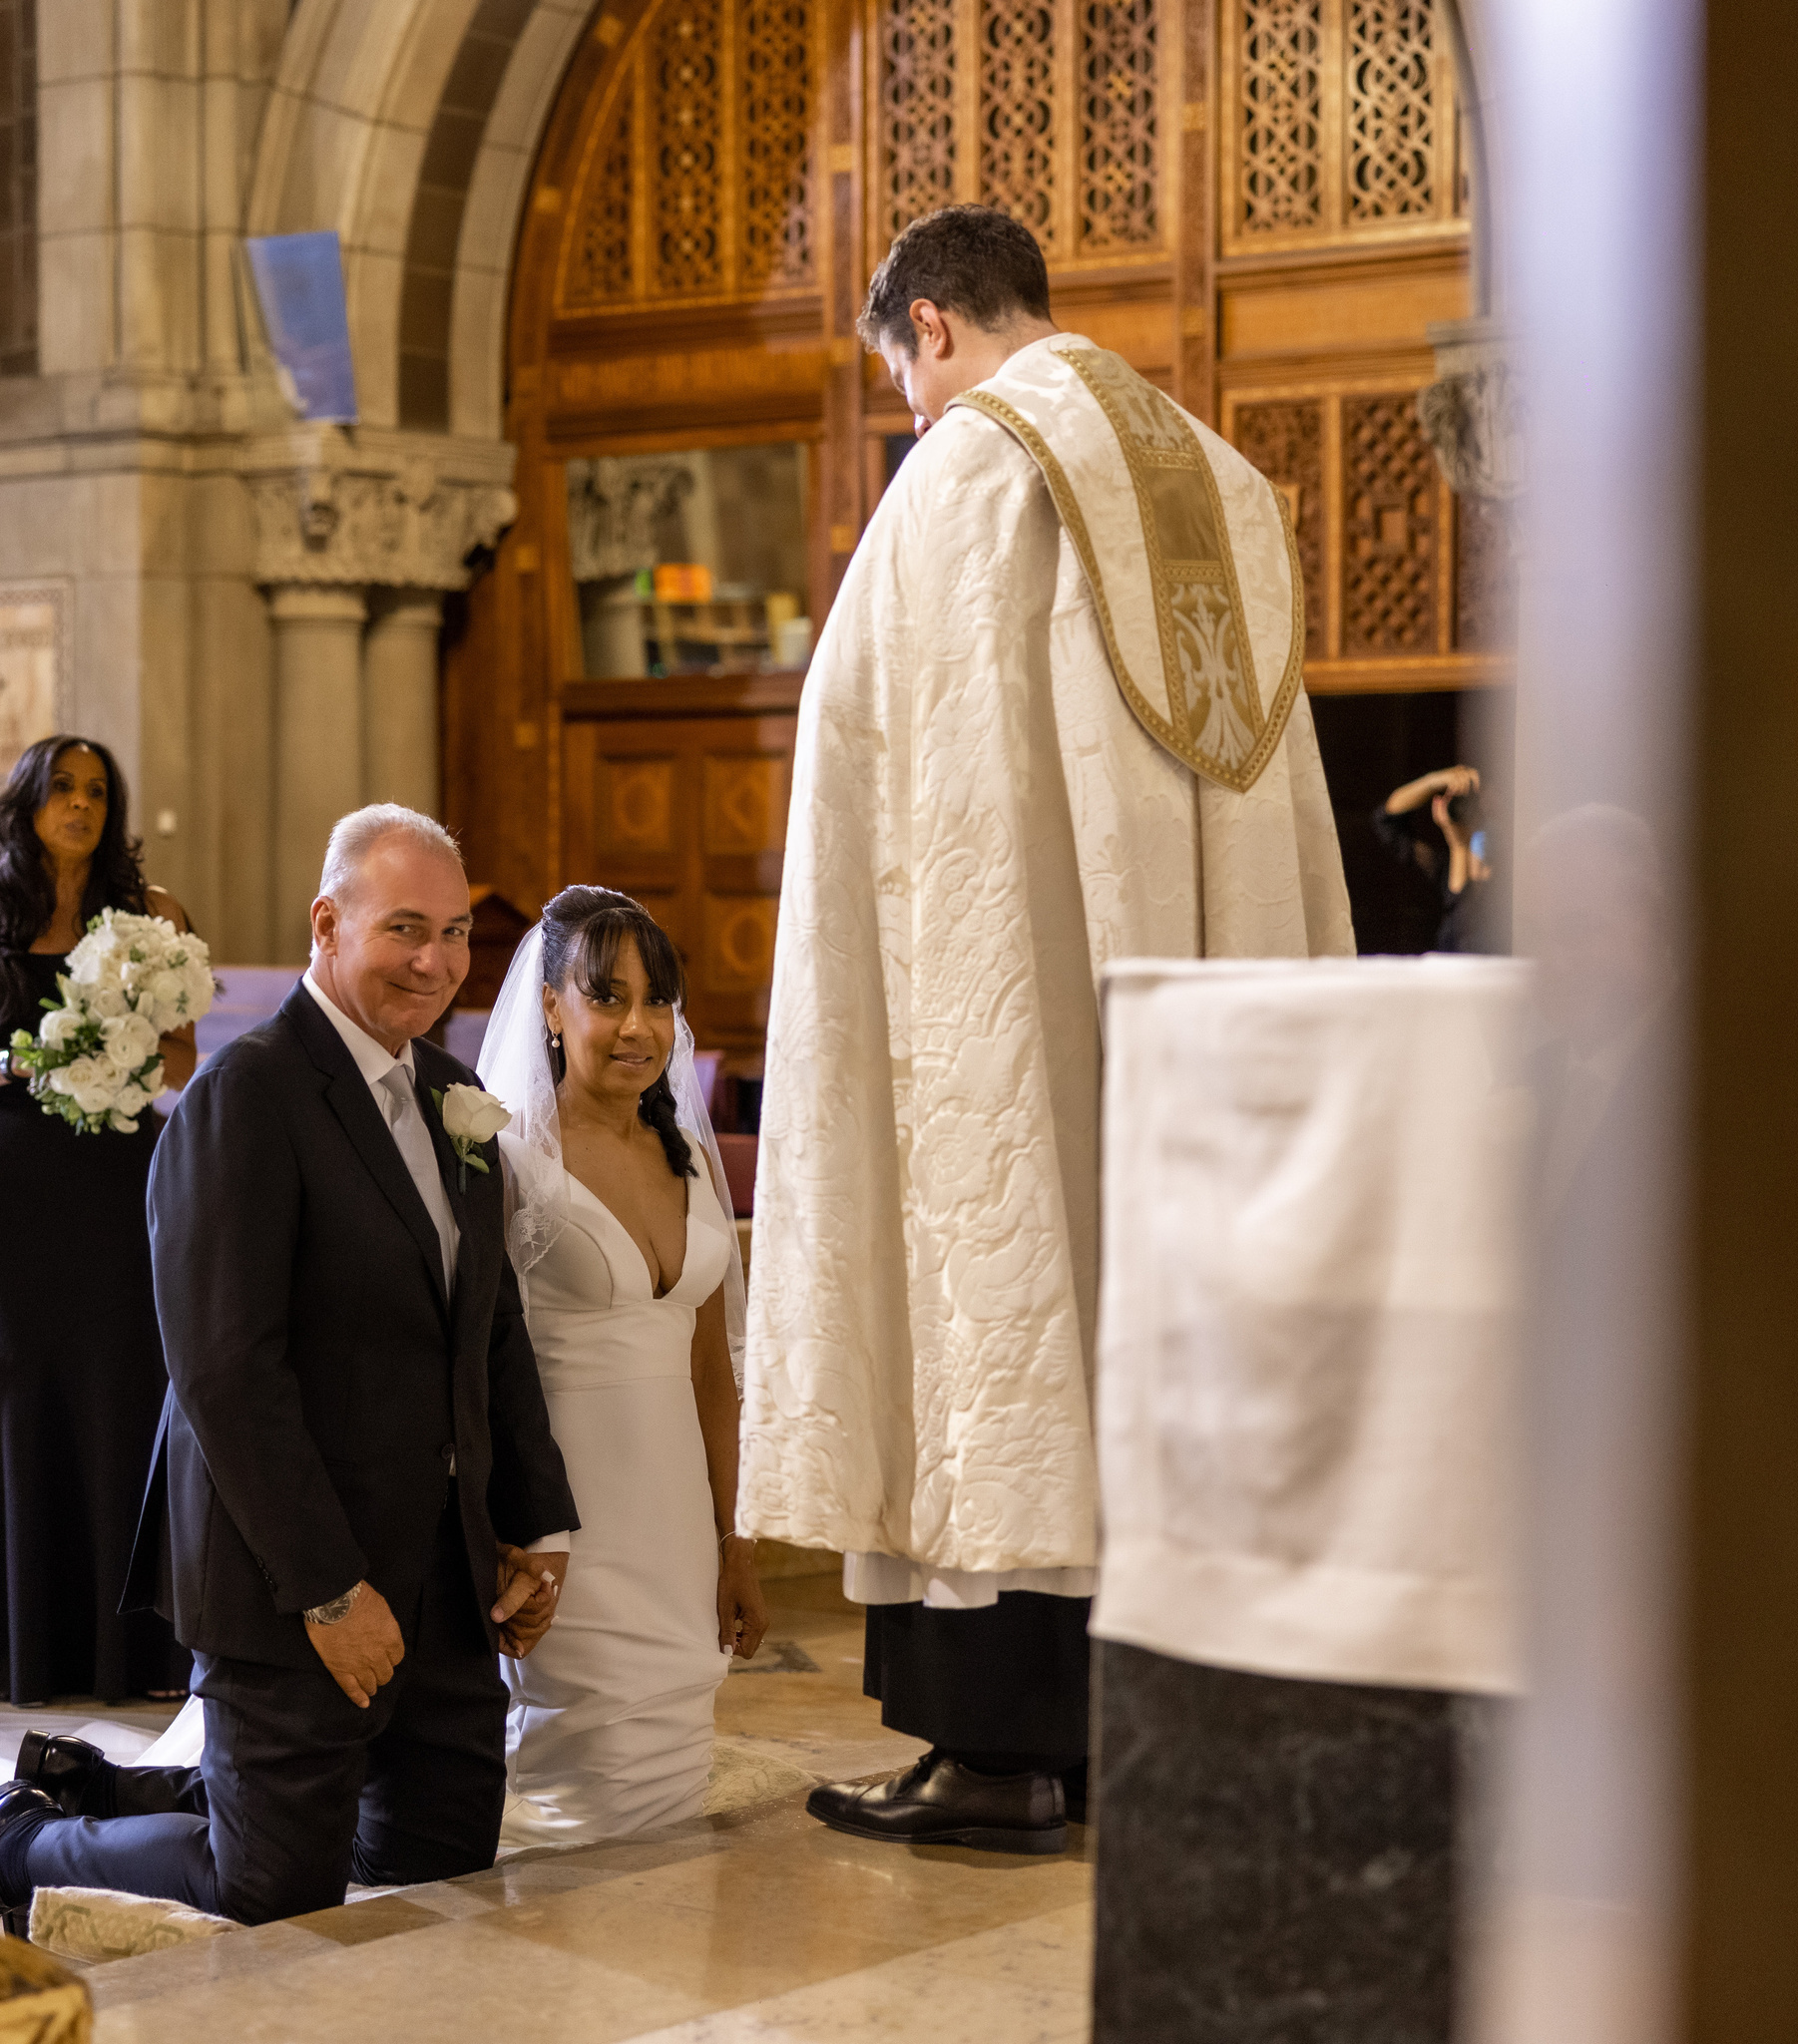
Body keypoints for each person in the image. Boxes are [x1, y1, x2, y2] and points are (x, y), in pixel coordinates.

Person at [737, 205, 1355, 1852]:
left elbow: (893, 783)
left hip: (1024, 1027)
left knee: (1001, 1301)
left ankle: (1003, 1748)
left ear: (929, 325)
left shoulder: (969, 475)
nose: (910, 412)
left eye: (900, 380)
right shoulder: (1219, 478)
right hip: (1195, 1041)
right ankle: (1136, 1732)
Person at [0, 805, 580, 1929]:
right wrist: (328, 1588)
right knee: (273, 1885)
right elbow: (223, 1373)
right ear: (325, 923)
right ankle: (26, 1843)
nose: (436, 961)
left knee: (438, 1855)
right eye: (404, 927)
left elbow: (489, 1332)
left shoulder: (452, 1100)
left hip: (440, 1577)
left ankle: (135, 1785)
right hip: (287, 1573)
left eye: (454, 933)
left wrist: (532, 1527)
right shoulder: (247, 1096)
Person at [476, 886, 766, 1845]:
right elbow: (479, 1365)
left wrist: (736, 1538)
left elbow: (712, 1373)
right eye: (607, 997)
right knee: (577, 1783)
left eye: (658, 1000)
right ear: (552, 1007)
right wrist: (512, 1531)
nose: (638, 1027)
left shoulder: (688, 1155)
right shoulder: (510, 1159)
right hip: (568, 1522)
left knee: (674, 1770)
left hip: (676, 1524)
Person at [0, 734, 197, 1707]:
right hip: (8, 1175)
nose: (79, 805)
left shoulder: (153, 914)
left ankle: (127, 1654)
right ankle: (22, 1652)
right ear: (28, 803)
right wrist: (29, 1061)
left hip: (116, 1172)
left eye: (95, 791)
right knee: (20, 1388)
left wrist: (118, 1056)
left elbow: (183, 1058)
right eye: (61, 790)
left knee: (122, 1382)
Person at [1375, 762, 1499, 952]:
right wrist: (1433, 781)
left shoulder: (1506, 850)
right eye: (1454, 798)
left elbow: (1463, 926)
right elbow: (1385, 820)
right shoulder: (1442, 862)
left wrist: (1460, 846)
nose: (1464, 805)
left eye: (1474, 797)